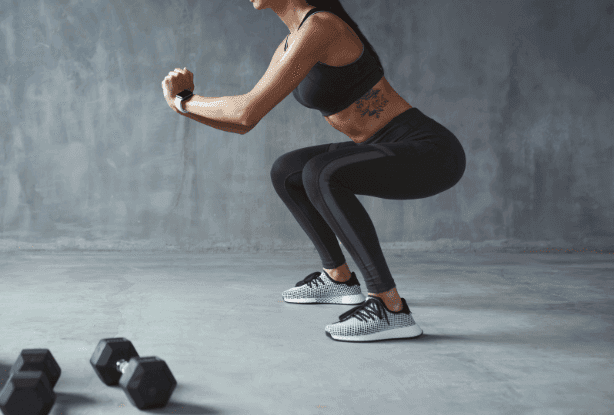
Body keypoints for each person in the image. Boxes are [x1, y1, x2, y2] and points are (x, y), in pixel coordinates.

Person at [161, 0, 466, 342]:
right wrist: (183, 105)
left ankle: (390, 308)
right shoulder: (291, 41)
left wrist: (184, 101)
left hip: (430, 151)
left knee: (322, 173)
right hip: (381, 145)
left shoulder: (321, 27)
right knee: (287, 171)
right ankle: (338, 279)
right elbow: (244, 122)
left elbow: (245, 111)